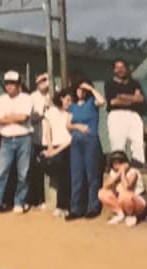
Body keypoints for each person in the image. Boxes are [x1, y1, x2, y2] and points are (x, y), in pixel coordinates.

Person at [0, 70, 34, 214]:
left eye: (12, 84)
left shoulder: (26, 98)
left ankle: (19, 202)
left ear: (19, 84)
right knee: (0, 172)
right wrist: (13, 118)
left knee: (23, 172)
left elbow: (24, 118)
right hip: (6, 139)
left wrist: (7, 118)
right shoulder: (0, 100)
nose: (9, 86)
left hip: (24, 138)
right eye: (7, 83)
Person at [66, 77, 105, 220]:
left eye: (82, 90)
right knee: (76, 175)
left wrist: (91, 88)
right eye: (78, 89)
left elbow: (102, 101)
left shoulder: (91, 103)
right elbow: (68, 124)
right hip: (76, 142)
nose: (80, 92)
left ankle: (93, 206)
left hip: (91, 141)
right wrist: (78, 126)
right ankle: (76, 208)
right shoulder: (73, 106)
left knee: (92, 174)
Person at [104, 58, 147, 165]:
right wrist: (133, 99)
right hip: (116, 115)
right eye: (117, 68)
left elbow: (141, 99)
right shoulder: (110, 84)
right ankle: (118, 166)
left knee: (138, 143)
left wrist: (122, 97)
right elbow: (113, 102)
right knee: (118, 144)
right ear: (114, 70)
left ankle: (139, 164)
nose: (120, 70)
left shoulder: (134, 83)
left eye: (122, 67)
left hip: (134, 115)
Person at [42, 88, 74, 217]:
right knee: (59, 173)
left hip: (66, 147)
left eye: (71, 100)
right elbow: (47, 130)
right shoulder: (51, 112)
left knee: (66, 176)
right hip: (54, 147)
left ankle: (63, 206)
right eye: (67, 99)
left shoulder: (71, 114)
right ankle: (61, 205)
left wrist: (56, 151)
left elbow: (71, 138)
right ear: (61, 98)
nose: (69, 103)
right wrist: (50, 147)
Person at [97, 150, 147, 227]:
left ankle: (131, 215)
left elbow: (126, 187)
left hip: (137, 202)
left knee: (124, 195)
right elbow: (105, 186)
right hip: (122, 201)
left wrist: (123, 172)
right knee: (102, 193)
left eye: (120, 163)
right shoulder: (113, 172)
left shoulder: (133, 172)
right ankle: (120, 214)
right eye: (115, 163)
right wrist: (118, 174)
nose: (118, 165)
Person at [27, 72, 51, 209]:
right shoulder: (32, 97)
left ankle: (46, 199)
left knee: (48, 169)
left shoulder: (53, 94)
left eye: (46, 80)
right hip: (36, 139)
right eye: (41, 80)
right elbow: (31, 118)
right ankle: (36, 199)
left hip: (51, 140)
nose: (44, 83)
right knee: (35, 171)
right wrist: (43, 112)